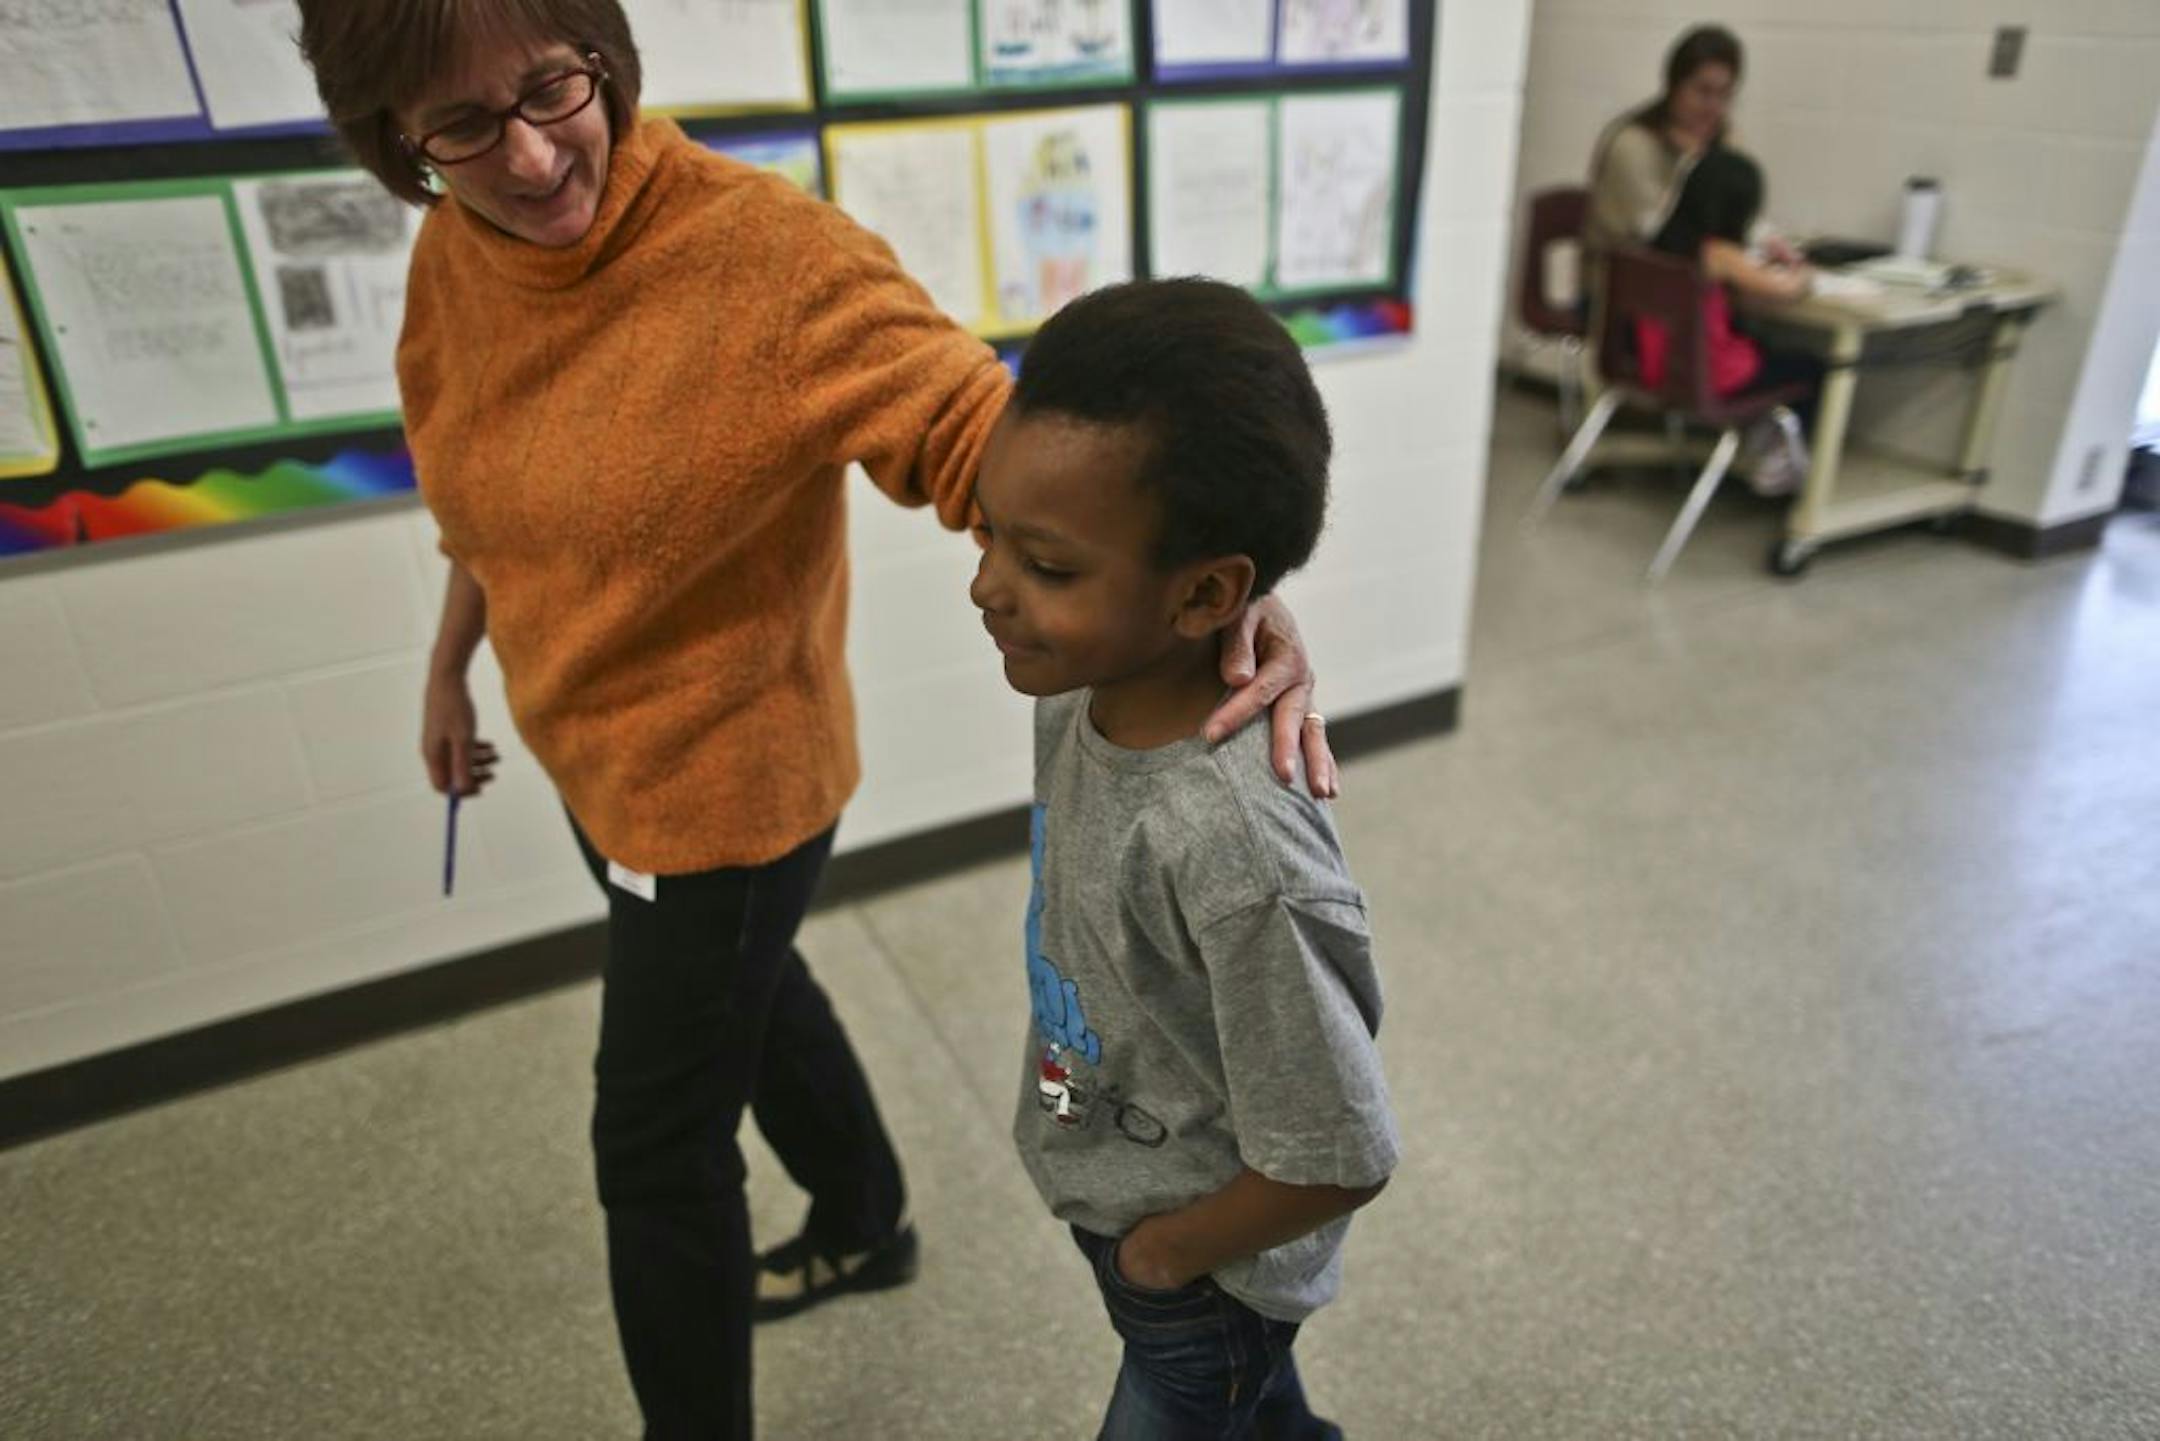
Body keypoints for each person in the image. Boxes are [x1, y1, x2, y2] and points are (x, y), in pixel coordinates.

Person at [292, 4, 1336, 1437]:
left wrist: (1226, 591)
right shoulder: (455, 255)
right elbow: (488, 497)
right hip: (583, 754)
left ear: (604, 53)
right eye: (464, 128)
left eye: (551, 88)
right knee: (755, 990)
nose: (530, 157)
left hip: (724, 788)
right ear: (401, 142)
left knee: (654, 1151)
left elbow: (994, 436)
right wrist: (448, 665)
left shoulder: (762, 258)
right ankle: (867, 1216)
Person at [970, 278, 1400, 1440]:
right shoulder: (1078, 688)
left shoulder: (1234, 851)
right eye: (984, 532)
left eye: (1046, 568)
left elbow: (1342, 1147)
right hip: (1121, 1187)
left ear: (1205, 591)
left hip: (1202, 1277)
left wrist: (1167, 1256)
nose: (987, 587)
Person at [1641, 147, 1821, 494]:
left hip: (1659, 366)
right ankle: (1779, 460)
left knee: (1759, 344)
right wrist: (1804, 268)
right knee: (1811, 367)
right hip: (1708, 375)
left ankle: (1761, 439)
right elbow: (1783, 290)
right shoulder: (1718, 252)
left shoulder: (1662, 240)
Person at [1585, 25, 1800, 296]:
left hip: (1696, 287)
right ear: (1674, 87)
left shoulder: (1725, 138)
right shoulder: (1633, 144)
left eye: (1724, 95)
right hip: (1624, 292)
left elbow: (1739, 214)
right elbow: (1662, 235)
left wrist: (1766, 240)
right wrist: (1697, 162)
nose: (1713, 107)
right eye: (1703, 91)